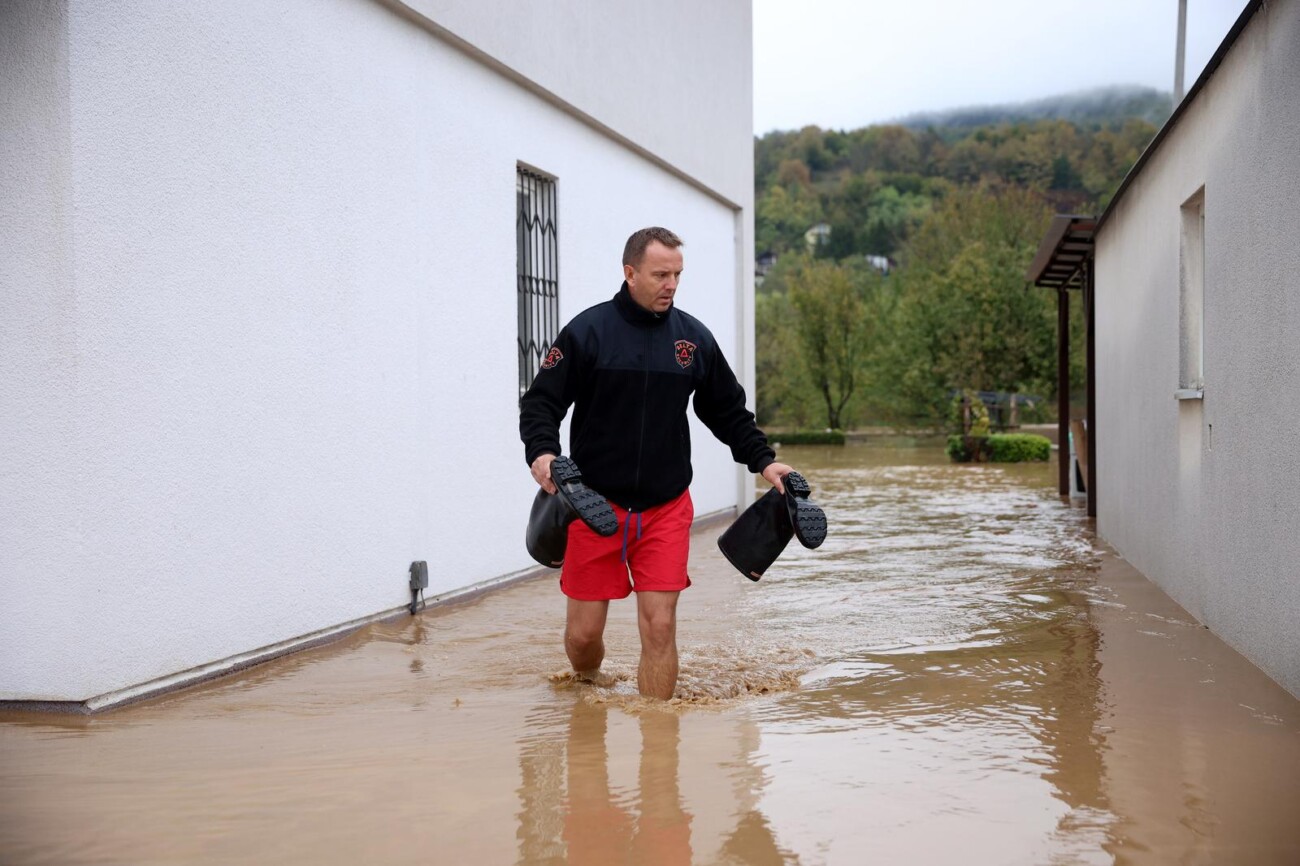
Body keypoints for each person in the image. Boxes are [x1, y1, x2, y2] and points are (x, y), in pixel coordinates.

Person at [519, 226, 797, 700]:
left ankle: (659, 734)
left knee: (660, 626)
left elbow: (729, 412)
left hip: (665, 508)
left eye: (677, 275)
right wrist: (542, 453)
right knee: (583, 638)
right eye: (660, 275)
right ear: (630, 273)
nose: (671, 285)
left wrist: (765, 463)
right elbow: (541, 403)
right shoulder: (588, 332)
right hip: (593, 505)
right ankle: (586, 688)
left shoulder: (693, 340)